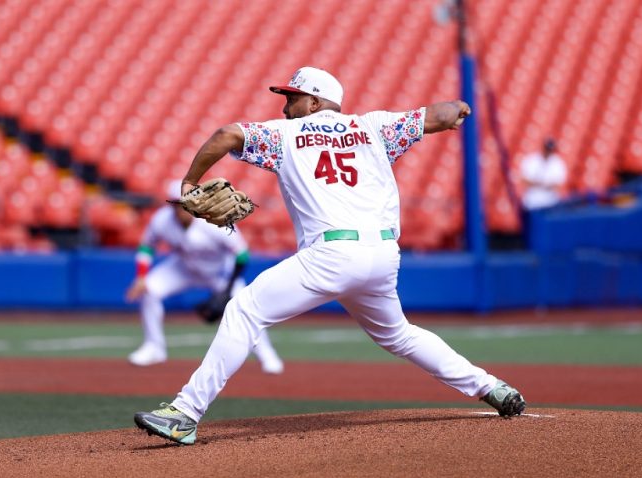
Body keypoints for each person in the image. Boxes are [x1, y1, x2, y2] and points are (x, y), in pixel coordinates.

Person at [134, 67, 525, 445]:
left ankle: (185, 414)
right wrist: (458, 108)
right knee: (399, 334)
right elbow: (440, 115)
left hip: (331, 254)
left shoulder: (285, 135)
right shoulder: (375, 127)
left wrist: (190, 181)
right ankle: (491, 386)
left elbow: (227, 134)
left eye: (293, 98)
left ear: (314, 103)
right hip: (383, 255)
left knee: (243, 310)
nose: (285, 106)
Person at [125, 179, 284, 375]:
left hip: (219, 271)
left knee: (244, 307)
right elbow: (147, 246)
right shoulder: (162, 220)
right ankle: (154, 347)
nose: (183, 209)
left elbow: (242, 254)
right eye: (178, 204)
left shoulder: (214, 220)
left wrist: (226, 292)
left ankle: (266, 354)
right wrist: (141, 276)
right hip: (183, 267)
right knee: (149, 289)